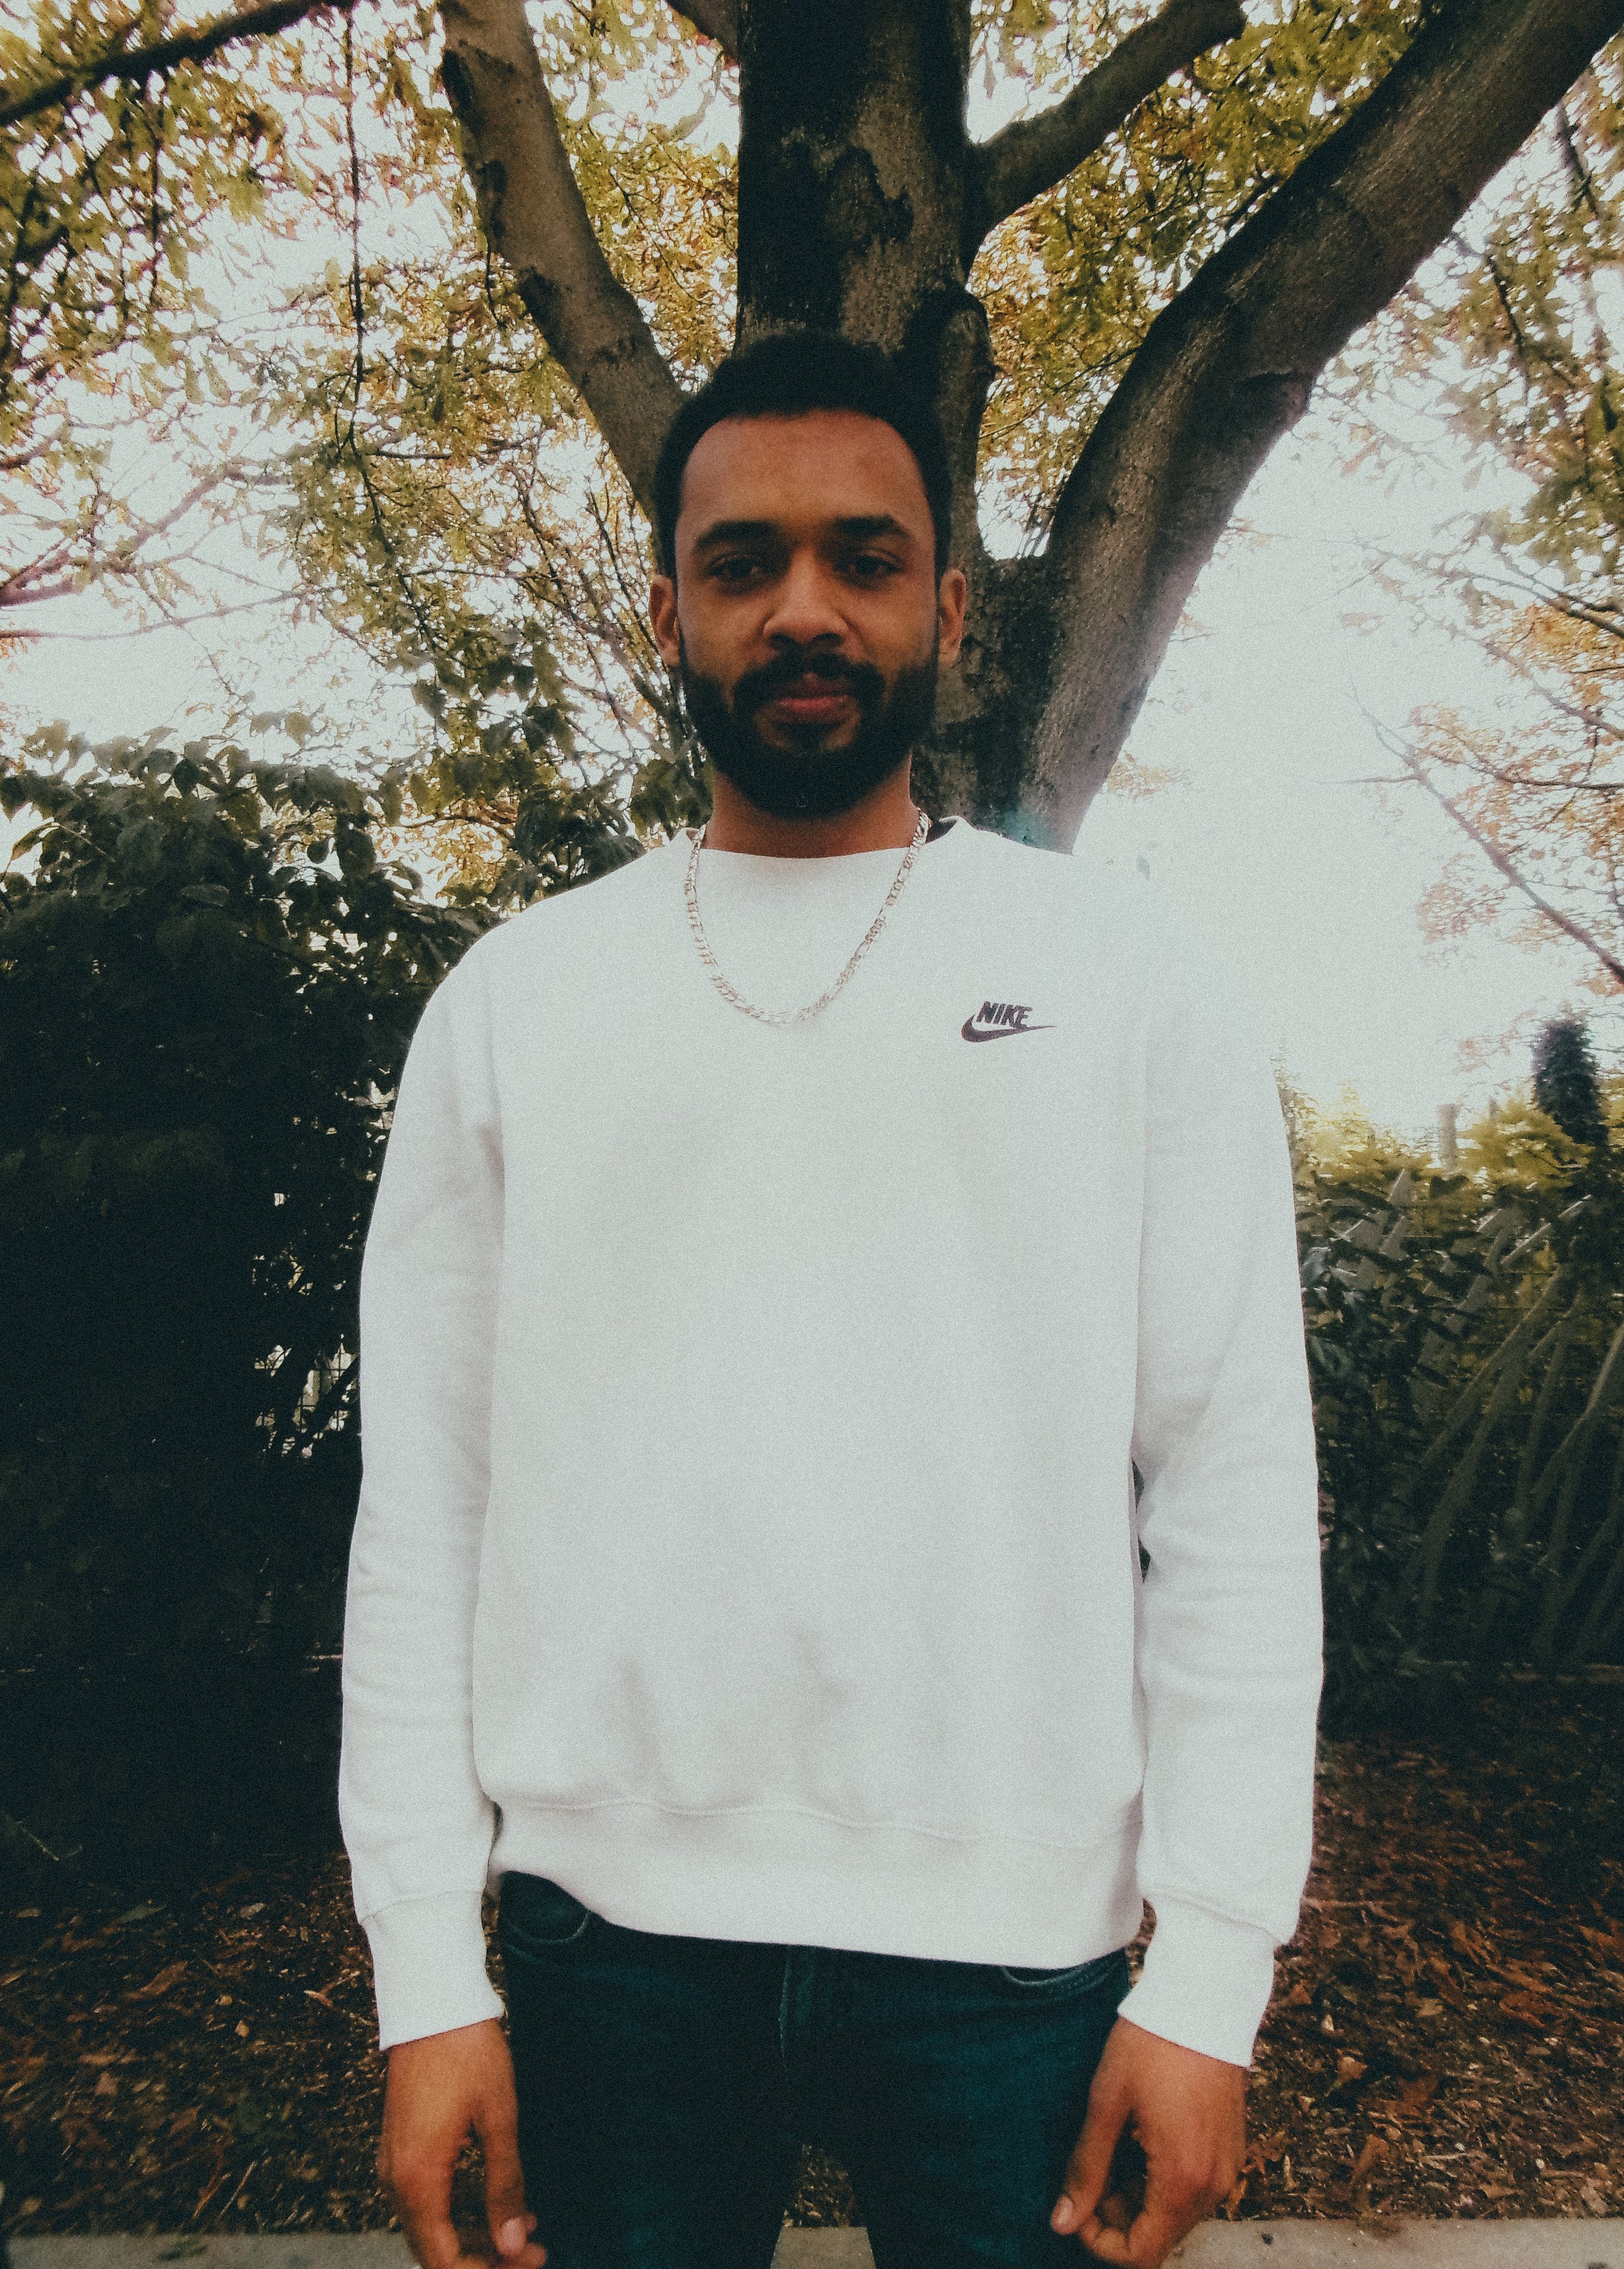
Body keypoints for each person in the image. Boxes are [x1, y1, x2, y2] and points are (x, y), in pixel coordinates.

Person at [338, 331, 1323, 2269]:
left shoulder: (1129, 979)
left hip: (1014, 1969)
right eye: (743, 562)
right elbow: (423, 1517)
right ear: (669, 608)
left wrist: (1207, 1972)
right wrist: (423, 1977)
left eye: (864, 557)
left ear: (948, 607)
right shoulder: (516, 1002)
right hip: (603, 1953)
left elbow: (1224, 1493)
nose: (803, 607)